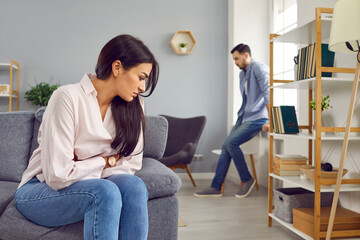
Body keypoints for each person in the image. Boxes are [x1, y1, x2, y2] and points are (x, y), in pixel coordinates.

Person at [14, 34, 159, 240]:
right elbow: (57, 176)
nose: (143, 87)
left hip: (85, 187)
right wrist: (106, 160)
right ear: (117, 67)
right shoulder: (67, 97)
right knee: (105, 192)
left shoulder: (135, 107)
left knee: (134, 186)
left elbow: (131, 165)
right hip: (38, 190)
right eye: (141, 77)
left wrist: (79, 165)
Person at [194, 43, 269, 198]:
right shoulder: (243, 74)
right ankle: (216, 187)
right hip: (244, 116)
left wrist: (272, 120)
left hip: (258, 118)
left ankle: (247, 179)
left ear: (246, 55)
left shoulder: (260, 68)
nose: (235, 62)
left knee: (230, 143)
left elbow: (268, 94)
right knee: (226, 146)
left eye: (237, 58)